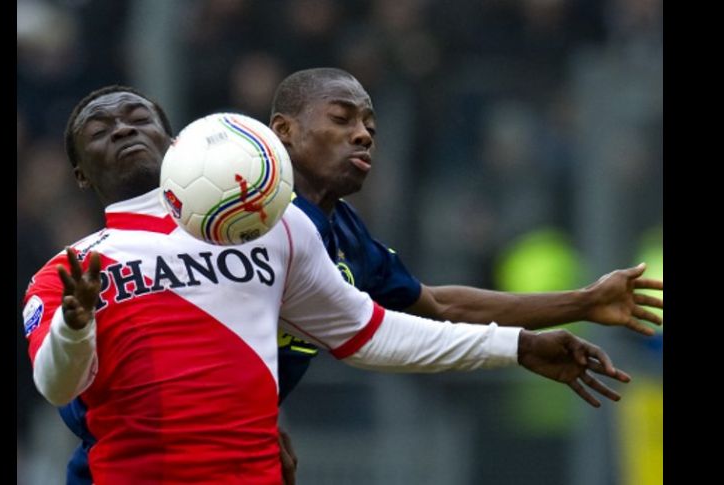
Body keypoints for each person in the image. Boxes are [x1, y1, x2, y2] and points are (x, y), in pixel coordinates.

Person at [21, 85, 631, 484]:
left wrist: (517, 345)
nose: (123, 130)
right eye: (100, 130)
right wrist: (77, 324)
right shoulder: (65, 274)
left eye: (137, 118)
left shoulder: (271, 225)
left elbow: (372, 334)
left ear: (177, 141)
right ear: (79, 172)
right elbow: (56, 384)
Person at [268, 67, 664, 400]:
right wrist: (519, 346)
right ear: (284, 129)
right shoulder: (252, 218)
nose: (364, 135)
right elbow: (372, 337)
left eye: (369, 126)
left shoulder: (346, 231)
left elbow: (441, 306)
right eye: (341, 119)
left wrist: (585, 303)